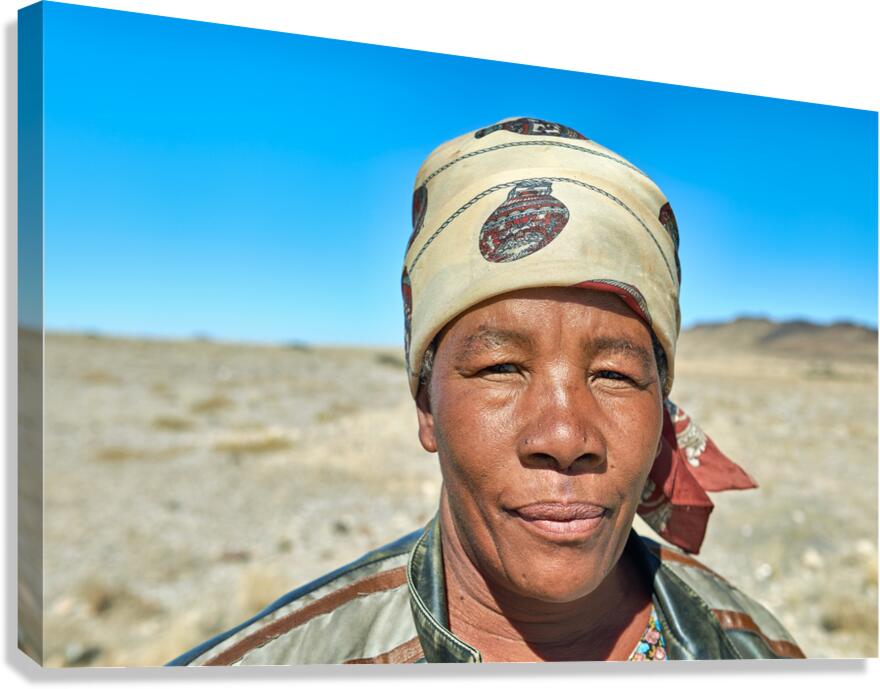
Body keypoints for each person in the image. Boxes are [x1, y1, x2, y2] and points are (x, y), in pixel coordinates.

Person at [168, 117, 804, 665]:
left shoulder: (751, 647)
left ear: (661, 409)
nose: (564, 437)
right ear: (426, 404)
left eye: (614, 375)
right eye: (501, 367)